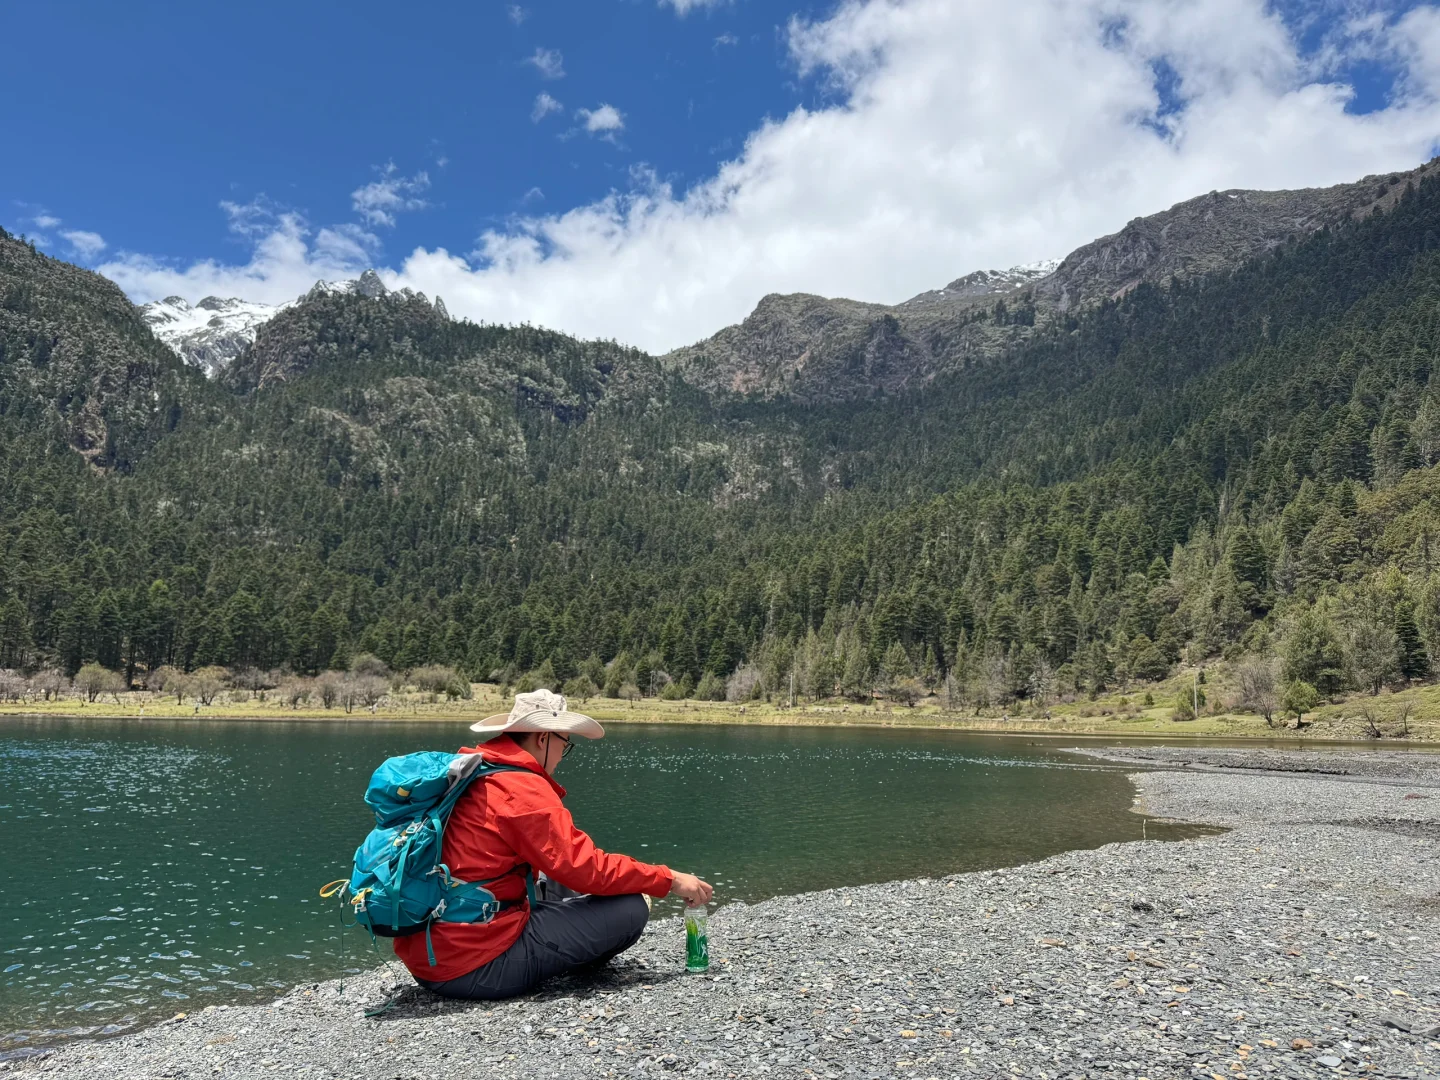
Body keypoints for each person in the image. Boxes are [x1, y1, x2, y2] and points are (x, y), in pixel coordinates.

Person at [395, 689, 713, 999]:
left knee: (559, 881)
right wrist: (668, 879)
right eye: (565, 743)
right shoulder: (520, 787)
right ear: (543, 738)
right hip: (475, 967)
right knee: (632, 908)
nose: (563, 754)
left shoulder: (477, 770)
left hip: (431, 953)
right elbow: (586, 867)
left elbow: (564, 864)